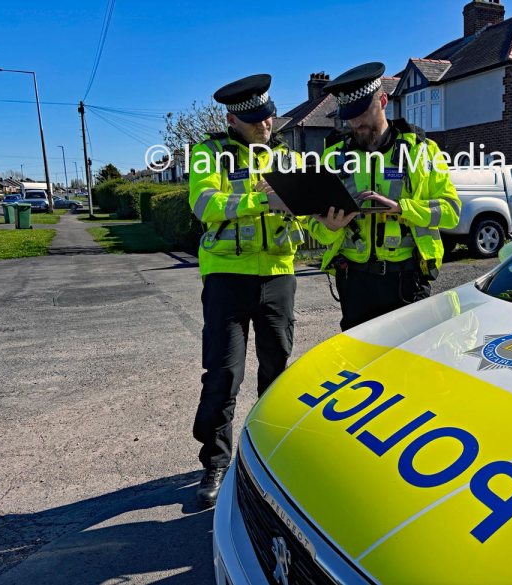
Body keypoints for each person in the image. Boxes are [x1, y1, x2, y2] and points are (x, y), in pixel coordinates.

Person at [188, 74, 305, 507]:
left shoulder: (288, 158)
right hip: (227, 277)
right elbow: (205, 205)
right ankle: (215, 462)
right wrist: (262, 201)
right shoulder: (208, 155)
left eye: (269, 116)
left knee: (277, 372)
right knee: (223, 374)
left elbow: (303, 211)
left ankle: (267, 453)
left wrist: (325, 221)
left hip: (278, 274)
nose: (266, 126)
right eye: (255, 119)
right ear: (233, 119)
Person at [308, 62, 461, 330]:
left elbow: (450, 211)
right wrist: (330, 228)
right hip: (354, 283)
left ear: (383, 100)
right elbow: (313, 222)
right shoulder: (332, 155)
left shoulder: (422, 149)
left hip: (406, 280)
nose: (355, 123)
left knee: (410, 364)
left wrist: (402, 209)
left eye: (361, 112)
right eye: (349, 115)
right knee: (358, 363)